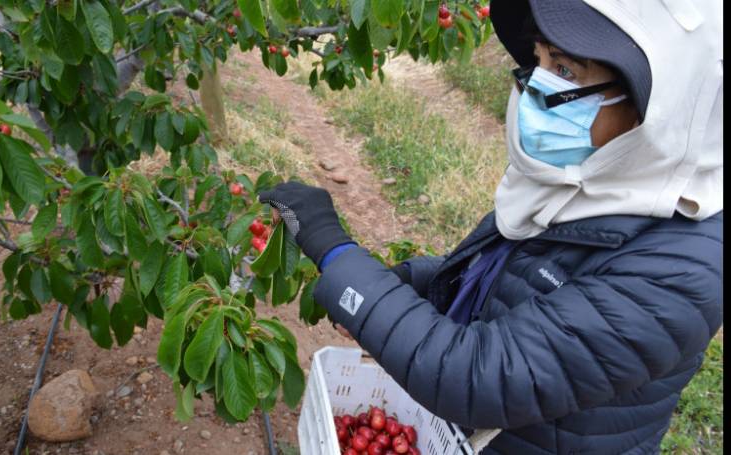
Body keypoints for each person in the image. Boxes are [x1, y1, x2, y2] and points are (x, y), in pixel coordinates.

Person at [259, 0, 723, 453]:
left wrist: (336, 253)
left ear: (662, 107)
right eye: (538, 60)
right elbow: (507, 274)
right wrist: (409, 282)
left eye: (565, 71)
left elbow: (479, 375)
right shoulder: (583, 180)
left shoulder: (684, 271)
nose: (536, 89)